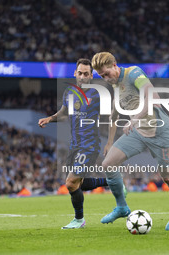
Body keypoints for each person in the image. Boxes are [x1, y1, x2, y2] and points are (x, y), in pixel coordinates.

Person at [91, 52, 169, 230]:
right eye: (101, 76)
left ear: (114, 65)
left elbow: (154, 98)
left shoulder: (133, 74)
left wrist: (135, 119)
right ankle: (121, 207)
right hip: (138, 133)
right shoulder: (115, 84)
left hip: (160, 131)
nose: (105, 78)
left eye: (106, 73)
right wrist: (110, 142)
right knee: (108, 163)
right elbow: (114, 113)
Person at [38, 58, 109, 229]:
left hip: (89, 145)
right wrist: (50, 118)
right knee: (79, 184)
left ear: (92, 75)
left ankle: (79, 220)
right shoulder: (69, 92)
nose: (83, 76)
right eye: (80, 73)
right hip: (75, 145)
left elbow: (112, 115)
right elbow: (63, 114)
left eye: (86, 73)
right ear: (75, 73)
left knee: (70, 183)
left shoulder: (98, 93)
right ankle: (112, 181)